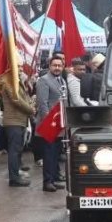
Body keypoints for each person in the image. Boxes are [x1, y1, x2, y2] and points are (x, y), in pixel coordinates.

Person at [35, 55, 68, 192]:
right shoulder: (44, 80)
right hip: (49, 125)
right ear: (49, 66)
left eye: (59, 65)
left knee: (55, 154)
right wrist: (50, 124)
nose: (57, 68)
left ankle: (54, 178)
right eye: (54, 65)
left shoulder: (62, 80)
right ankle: (47, 182)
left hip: (59, 124)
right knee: (48, 154)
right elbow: (43, 104)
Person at [0, 74, 35, 187]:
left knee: (17, 149)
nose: (21, 69)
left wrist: (30, 104)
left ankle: (16, 172)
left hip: (19, 120)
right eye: (18, 66)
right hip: (13, 121)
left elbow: (24, 97)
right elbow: (17, 99)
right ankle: (14, 179)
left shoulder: (16, 81)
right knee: (14, 151)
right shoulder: (8, 82)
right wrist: (30, 109)